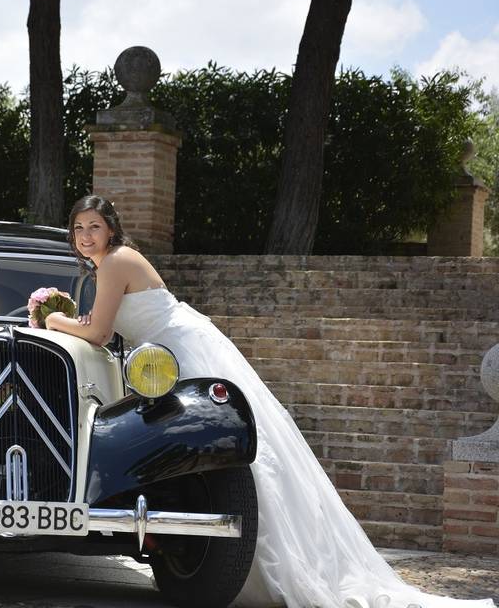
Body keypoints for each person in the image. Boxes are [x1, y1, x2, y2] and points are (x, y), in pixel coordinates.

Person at [44, 195, 494, 608]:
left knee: (240, 459)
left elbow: (99, 333)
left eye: (95, 226)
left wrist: (53, 319)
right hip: (176, 346)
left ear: (111, 230)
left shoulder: (115, 262)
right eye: (79, 228)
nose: (86, 236)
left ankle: (262, 555)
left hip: (180, 349)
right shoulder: (107, 264)